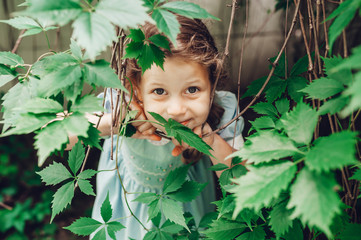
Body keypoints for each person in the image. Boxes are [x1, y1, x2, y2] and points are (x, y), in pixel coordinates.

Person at [89, 15, 244, 239]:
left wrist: (209, 140)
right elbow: (62, 134)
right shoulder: (122, 104)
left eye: (192, 89)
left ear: (212, 82)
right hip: (127, 208)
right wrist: (116, 122)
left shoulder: (223, 109)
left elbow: (243, 183)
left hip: (187, 206)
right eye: (159, 91)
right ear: (137, 89)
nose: (176, 110)